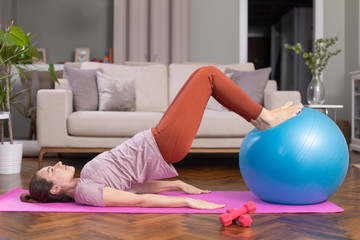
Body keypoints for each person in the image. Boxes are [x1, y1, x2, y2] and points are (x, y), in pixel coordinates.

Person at [21, 66, 303, 209]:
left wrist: (178, 185)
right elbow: (137, 202)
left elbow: (133, 189)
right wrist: (186, 203)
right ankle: (263, 117)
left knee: (203, 76)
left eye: (52, 165)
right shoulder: (85, 193)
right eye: (51, 170)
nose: (57, 165)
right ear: (55, 189)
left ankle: (260, 116)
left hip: (159, 139)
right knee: (208, 75)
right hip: (162, 143)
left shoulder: (83, 183)